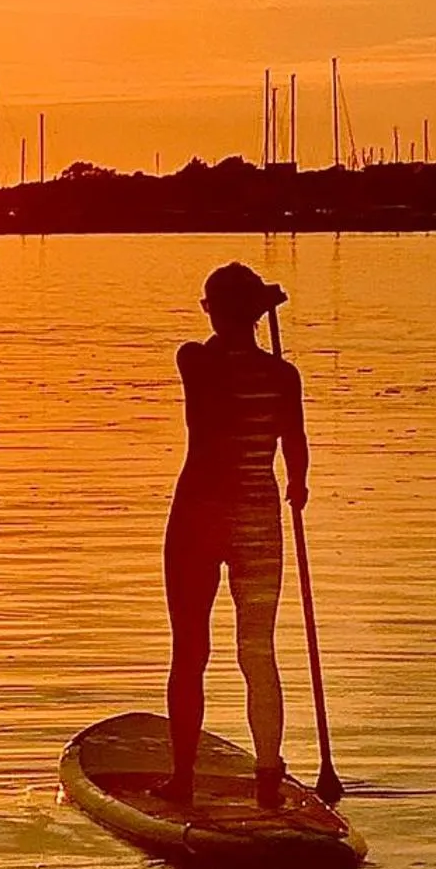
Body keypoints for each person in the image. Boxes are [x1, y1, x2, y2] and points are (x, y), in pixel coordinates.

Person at [159, 262, 308, 811]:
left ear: (213, 312)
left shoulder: (194, 361)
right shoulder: (283, 377)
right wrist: (298, 485)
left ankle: (182, 778)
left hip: (198, 517)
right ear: (257, 314)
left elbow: (207, 353)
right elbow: (296, 451)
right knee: (258, 651)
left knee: (190, 650)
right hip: (258, 519)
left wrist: (255, 305)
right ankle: (268, 773)